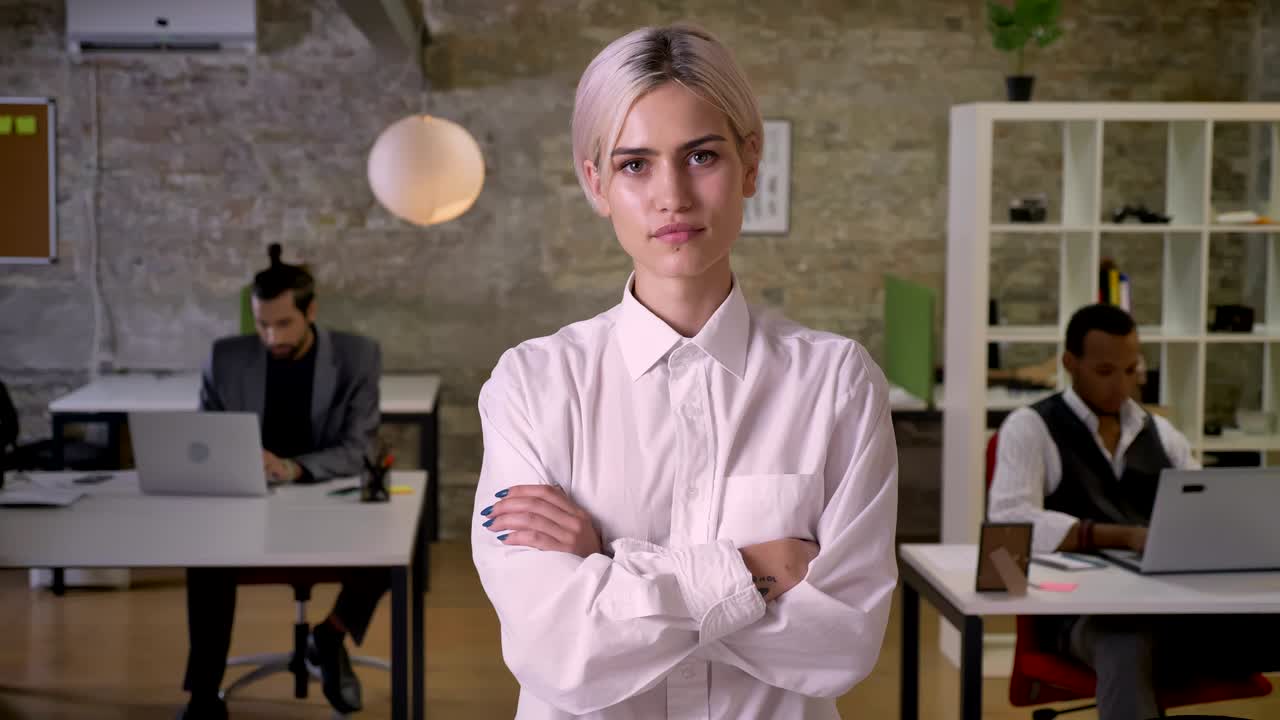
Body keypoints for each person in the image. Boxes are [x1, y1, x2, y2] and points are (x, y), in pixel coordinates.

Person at [471, 25, 898, 719]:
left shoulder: (836, 384)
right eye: (635, 164)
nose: (672, 196)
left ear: (751, 163)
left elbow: (842, 643)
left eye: (701, 155)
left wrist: (606, 567)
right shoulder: (532, 387)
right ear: (596, 182)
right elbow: (559, 652)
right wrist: (756, 569)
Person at [989, 303, 1280, 720]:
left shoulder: (1161, 434)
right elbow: (1010, 521)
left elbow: (1212, 507)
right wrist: (1122, 535)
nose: (1122, 385)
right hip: (1085, 615)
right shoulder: (1031, 427)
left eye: (1131, 370)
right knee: (1123, 642)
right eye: (1106, 372)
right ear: (1071, 363)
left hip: (1176, 607)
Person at [180, 244, 385, 720]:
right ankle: (204, 695)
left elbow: (360, 450)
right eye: (262, 324)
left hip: (324, 498)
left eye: (283, 324)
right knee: (205, 557)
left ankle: (330, 635)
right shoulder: (226, 359)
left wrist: (291, 468)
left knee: (390, 546)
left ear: (310, 312)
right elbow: (205, 441)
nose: (271, 336)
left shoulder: (357, 357)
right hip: (248, 501)